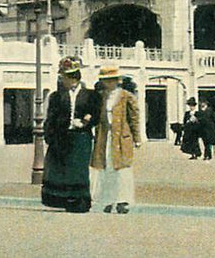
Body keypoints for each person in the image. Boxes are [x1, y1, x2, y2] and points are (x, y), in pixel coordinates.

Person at [41, 56, 99, 213]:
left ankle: (80, 202)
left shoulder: (90, 95)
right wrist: (50, 136)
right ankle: (63, 200)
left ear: (73, 77)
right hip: (62, 137)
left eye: (65, 77)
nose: (63, 80)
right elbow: (51, 117)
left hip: (81, 137)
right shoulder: (56, 96)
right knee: (62, 169)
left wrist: (87, 120)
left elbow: (96, 113)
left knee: (79, 169)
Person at [90, 65, 142, 214]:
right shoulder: (101, 97)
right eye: (105, 80)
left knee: (122, 169)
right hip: (105, 138)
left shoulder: (126, 96)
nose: (108, 83)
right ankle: (108, 200)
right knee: (106, 168)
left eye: (111, 80)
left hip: (121, 139)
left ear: (116, 81)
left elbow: (134, 118)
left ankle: (122, 201)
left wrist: (136, 138)